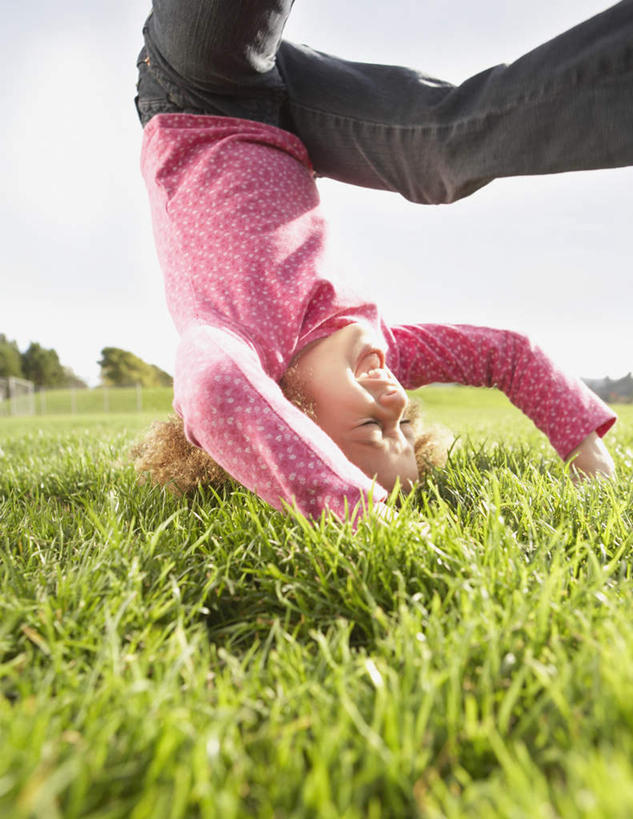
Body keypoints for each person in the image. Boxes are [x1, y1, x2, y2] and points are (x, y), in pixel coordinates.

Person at [133, 2, 621, 521]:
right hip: (290, 120)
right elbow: (509, 353)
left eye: (372, 427)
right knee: (442, 155)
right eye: (404, 428)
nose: (394, 402)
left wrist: (356, 514)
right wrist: (584, 448)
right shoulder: (388, 349)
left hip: (198, 92)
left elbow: (214, 391)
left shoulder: (246, 342)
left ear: (288, 410)